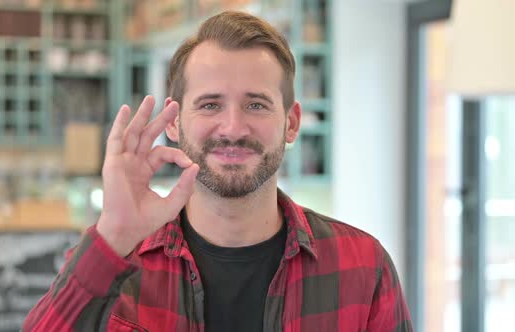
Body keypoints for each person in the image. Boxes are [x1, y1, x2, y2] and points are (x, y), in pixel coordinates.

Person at [23, 11, 412, 332]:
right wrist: (112, 236)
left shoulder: (362, 266)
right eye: (210, 105)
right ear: (174, 123)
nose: (233, 128)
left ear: (292, 123)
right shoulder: (117, 260)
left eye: (256, 105)